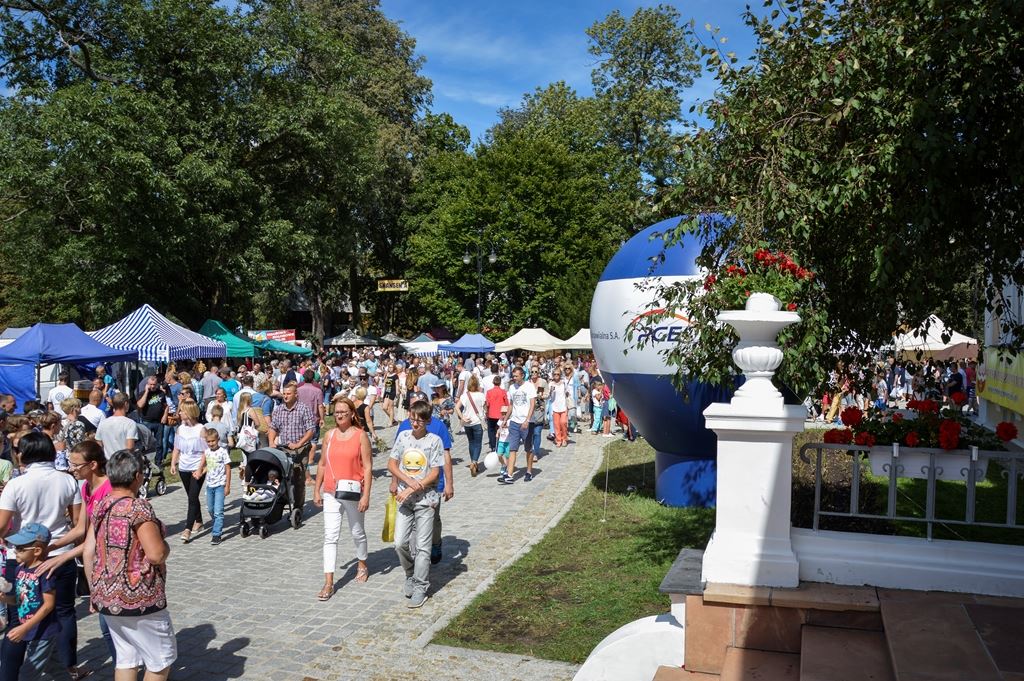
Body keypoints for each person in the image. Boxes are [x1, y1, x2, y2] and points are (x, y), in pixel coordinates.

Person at [83, 449, 176, 681]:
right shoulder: (137, 507)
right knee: (160, 660)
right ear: (137, 476)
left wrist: (94, 592)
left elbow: (89, 550)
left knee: (126, 659)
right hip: (138, 595)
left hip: (107, 594)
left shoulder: (101, 504)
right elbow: (156, 554)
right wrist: (166, 547)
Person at [0, 432, 86, 680]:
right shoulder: (68, 480)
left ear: (23, 454)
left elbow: (2, 526)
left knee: (18, 618)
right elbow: (77, 523)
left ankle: (9, 674)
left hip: (22, 555)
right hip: (60, 554)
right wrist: (53, 545)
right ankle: (69, 666)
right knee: (64, 612)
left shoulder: (16, 484)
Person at [312, 398, 372, 601]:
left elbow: (368, 467)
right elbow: (322, 464)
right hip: (331, 491)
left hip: (353, 492)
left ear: (352, 413)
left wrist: (366, 495)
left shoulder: (360, 436)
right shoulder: (329, 435)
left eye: (343, 412)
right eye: (336, 412)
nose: (339, 415)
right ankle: (329, 582)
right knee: (330, 536)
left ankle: (362, 563)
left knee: (357, 532)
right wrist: (317, 490)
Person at [388, 401, 444, 609]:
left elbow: (435, 472)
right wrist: (405, 481)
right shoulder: (403, 437)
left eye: (419, 420)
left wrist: (414, 486)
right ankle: (410, 573)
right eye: (412, 418)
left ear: (427, 421)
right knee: (399, 543)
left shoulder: (434, 441)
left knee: (422, 547)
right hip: (405, 500)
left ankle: (421, 586)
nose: (415, 423)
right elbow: (392, 463)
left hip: (426, 501)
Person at [393, 391, 454, 565]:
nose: (415, 418)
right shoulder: (404, 427)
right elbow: (397, 457)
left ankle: (435, 543)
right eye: (412, 406)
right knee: (411, 526)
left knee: (433, 520)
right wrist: (394, 481)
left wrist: (449, 483)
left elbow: (446, 456)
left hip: (432, 485)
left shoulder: (438, 426)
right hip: (407, 484)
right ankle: (416, 560)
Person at [0, 522, 59, 680]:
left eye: (20, 548)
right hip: (31, 629)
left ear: (37, 550)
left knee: (27, 675)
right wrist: (4, 598)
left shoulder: (44, 572)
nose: (15, 551)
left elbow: (49, 605)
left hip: (43, 631)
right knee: (55, 667)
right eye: (15, 547)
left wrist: (24, 628)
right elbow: (19, 600)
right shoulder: (20, 569)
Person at [169, 401, 206, 543]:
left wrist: (200, 468)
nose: (179, 413)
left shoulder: (201, 429)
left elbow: (206, 452)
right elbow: (176, 448)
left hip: (197, 467)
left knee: (192, 497)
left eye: (182, 411)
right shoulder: (180, 429)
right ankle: (199, 520)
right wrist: (173, 463)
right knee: (192, 496)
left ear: (189, 412)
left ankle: (187, 529)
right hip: (184, 467)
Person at [268, 385, 316, 480]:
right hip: (284, 449)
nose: (285, 396)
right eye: (284, 394)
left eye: (288, 394)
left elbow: (311, 430)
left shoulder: (303, 409)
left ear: (296, 395)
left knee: (299, 478)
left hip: (300, 450)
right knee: (285, 477)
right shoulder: (279, 410)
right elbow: (273, 428)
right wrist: (271, 442)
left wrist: (298, 444)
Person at [500, 367, 536, 484]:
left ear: (522, 375)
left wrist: (527, 420)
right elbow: (511, 405)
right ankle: (509, 475)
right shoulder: (512, 388)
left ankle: (529, 471)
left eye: (516, 376)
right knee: (512, 448)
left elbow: (532, 404)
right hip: (514, 422)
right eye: (513, 376)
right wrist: (505, 419)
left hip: (527, 422)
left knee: (528, 449)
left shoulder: (529, 386)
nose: (514, 378)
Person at [198, 428, 231, 545]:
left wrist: (227, 486)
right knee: (210, 509)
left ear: (218, 439)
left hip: (220, 485)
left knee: (218, 511)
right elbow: (209, 465)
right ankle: (217, 521)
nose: (211, 443)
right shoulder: (207, 452)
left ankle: (216, 534)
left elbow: (228, 469)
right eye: (209, 441)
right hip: (209, 485)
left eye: (213, 441)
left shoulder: (223, 452)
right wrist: (200, 472)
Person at [454, 374, 486, 476]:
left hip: (467, 423)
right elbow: (485, 407)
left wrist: (462, 417)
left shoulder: (465, 396)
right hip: (477, 422)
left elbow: (457, 407)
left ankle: (473, 462)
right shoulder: (481, 395)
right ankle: (474, 461)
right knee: (478, 443)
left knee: (471, 442)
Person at [96, 394, 138, 460]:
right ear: (126, 404)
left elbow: (99, 444)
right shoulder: (130, 423)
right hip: (123, 462)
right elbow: (129, 447)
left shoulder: (103, 423)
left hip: (108, 462)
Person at [484, 374, 509, 455]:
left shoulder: (489, 392)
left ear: (493, 382)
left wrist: (486, 413)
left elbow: (487, 404)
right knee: (500, 430)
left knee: (491, 431)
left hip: (491, 414)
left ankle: (492, 446)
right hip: (501, 415)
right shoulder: (503, 392)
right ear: (500, 383)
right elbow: (507, 403)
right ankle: (499, 446)